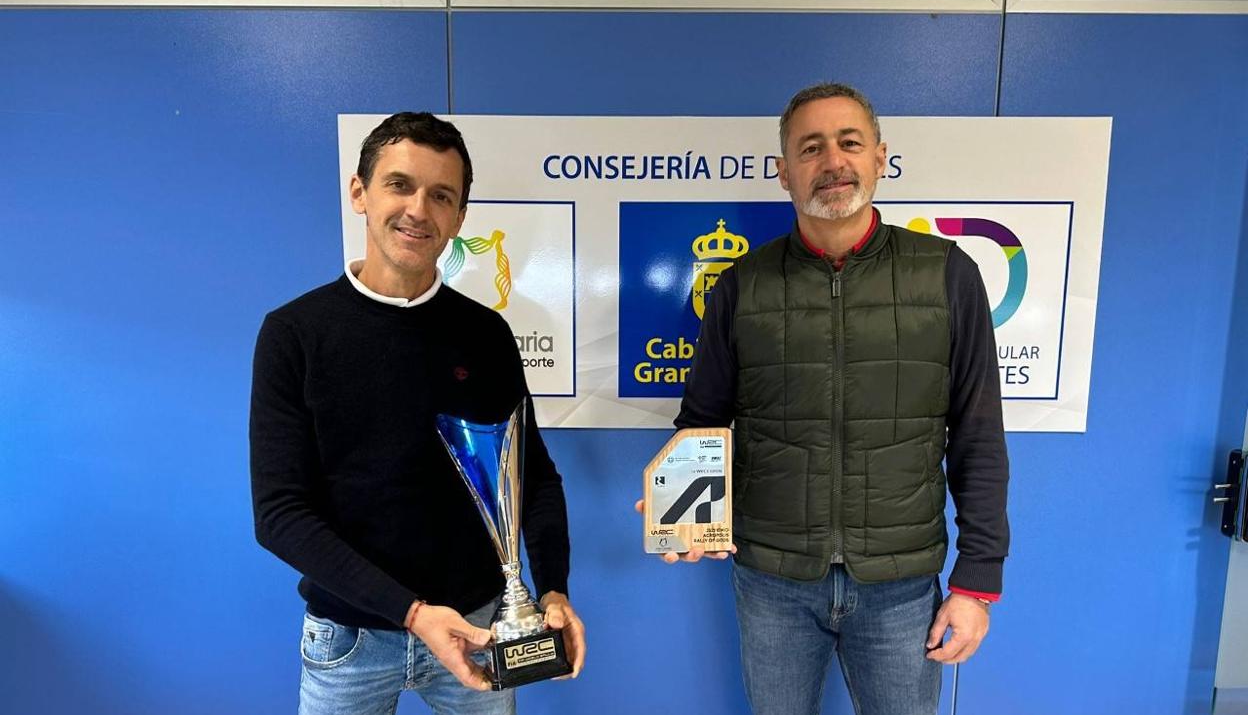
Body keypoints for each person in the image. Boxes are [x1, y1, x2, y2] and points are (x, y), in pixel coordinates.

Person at [647, 82, 1009, 715]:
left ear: (880, 157)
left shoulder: (947, 273)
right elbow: (703, 422)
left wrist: (977, 580)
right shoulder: (741, 286)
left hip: (901, 585)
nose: (832, 161)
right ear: (784, 172)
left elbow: (977, 434)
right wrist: (684, 513)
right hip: (772, 583)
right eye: (810, 148)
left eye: (849, 142)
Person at [250, 112, 585, 715]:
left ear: (459, 217)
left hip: (483, 631)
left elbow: (532, 477)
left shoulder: (485, 334)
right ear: (360, 192)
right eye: (399, 185)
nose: (418, 210)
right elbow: (279, 515)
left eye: (441, 196)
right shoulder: (294, 334)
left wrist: (554, 588)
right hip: (350, 641)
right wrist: (411, 613)